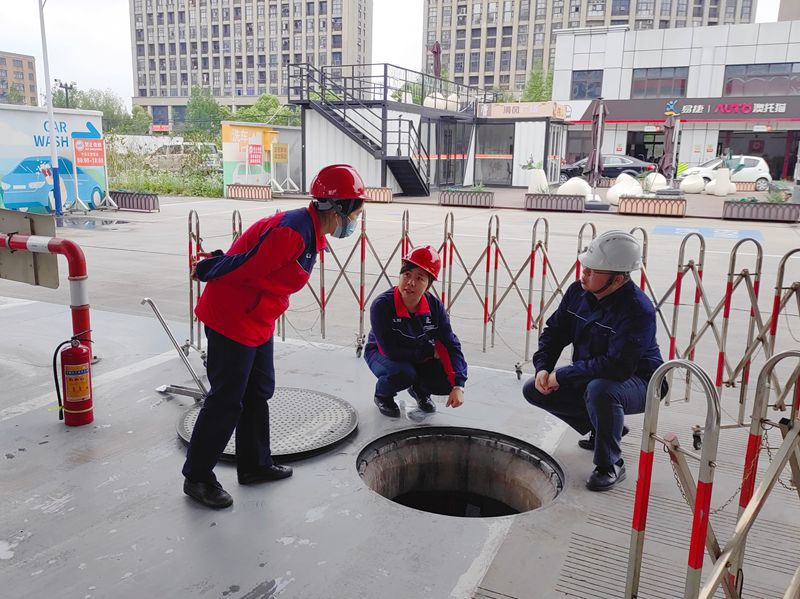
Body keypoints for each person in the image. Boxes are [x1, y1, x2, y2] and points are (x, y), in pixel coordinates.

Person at [181, 164, 367, 509]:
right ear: (338, 208)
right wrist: (208, 268)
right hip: (233, 318)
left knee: (258, 391)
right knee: (226, 400)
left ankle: (255, 464)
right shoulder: (293, 233)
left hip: (258, 318)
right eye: (355, 212)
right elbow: (246, 265)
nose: (356, 220)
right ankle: (198, 477)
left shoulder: (311, 232)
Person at [522, 231, 665, 492]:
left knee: (601, 390)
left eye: (592, 270)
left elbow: (617, 367)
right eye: (584, 266)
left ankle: (610, 463)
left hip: (642, 381)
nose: (584, 274)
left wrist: (561, 376)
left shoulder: (637, 310)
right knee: (533, 389)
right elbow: (555, 332)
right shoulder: (578, 292)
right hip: (594, 373)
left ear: (617, 279)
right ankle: (604, 427)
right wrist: (544, 367)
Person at [364, 246, 467, 417]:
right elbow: (390, 350)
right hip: (381, 353)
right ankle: (383, 395)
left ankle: (419, 390)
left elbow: (451, 344)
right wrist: (428, 353)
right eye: (407, 275)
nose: (410, 283)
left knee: (446, 379)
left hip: (417, 352)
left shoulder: (434, 307)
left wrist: (458, 386)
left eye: (419, 278)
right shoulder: (382, 305)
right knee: (404, 373)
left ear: (428, 285)